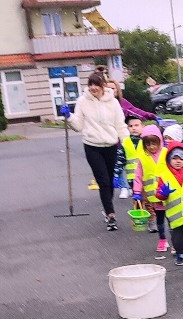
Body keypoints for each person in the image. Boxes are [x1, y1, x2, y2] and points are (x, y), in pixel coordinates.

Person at [62, 72, 128, 230]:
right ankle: (111, 214)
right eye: (90, 84)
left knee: (110, 180)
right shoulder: (83, 101)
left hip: (111, 145)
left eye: (96, 85)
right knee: (103, 181)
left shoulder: (113, 102)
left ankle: (107, 207)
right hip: (92, 146)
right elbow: (78, 126)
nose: (93, 88)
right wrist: (69, 116)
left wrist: (126, 143)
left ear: (103, 86)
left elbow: (120, 124)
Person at [155, 141, 183, 265]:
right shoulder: (164, 176)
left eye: (181, 158)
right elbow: (159, 194)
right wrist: (163, 193)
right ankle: (179, 252)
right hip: (176, 217)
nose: (178, 161)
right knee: (177, 239)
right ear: (169, 159)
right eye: (174, 158)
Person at [132, 125, 174, 252]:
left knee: (173, 219)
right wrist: (137, 191)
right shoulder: (142, 158)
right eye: (148, 144)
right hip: (155, 196)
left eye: (154, 143)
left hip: (169, 194)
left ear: (160, 141)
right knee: (160, 219)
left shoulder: (167, 154)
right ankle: (162, 240)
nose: (151, 147)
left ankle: (176, 242)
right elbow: (138, 176)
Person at [113, 114, 144, 200]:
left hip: (147, 177)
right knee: (138, 201)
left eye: (136, 125)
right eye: (130, 126)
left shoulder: (147, 141)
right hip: (132, 179)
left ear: (142, 126)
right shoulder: (125, 143)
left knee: (148, 201)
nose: (134, 128)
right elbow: (120, 161)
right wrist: (116, 175)